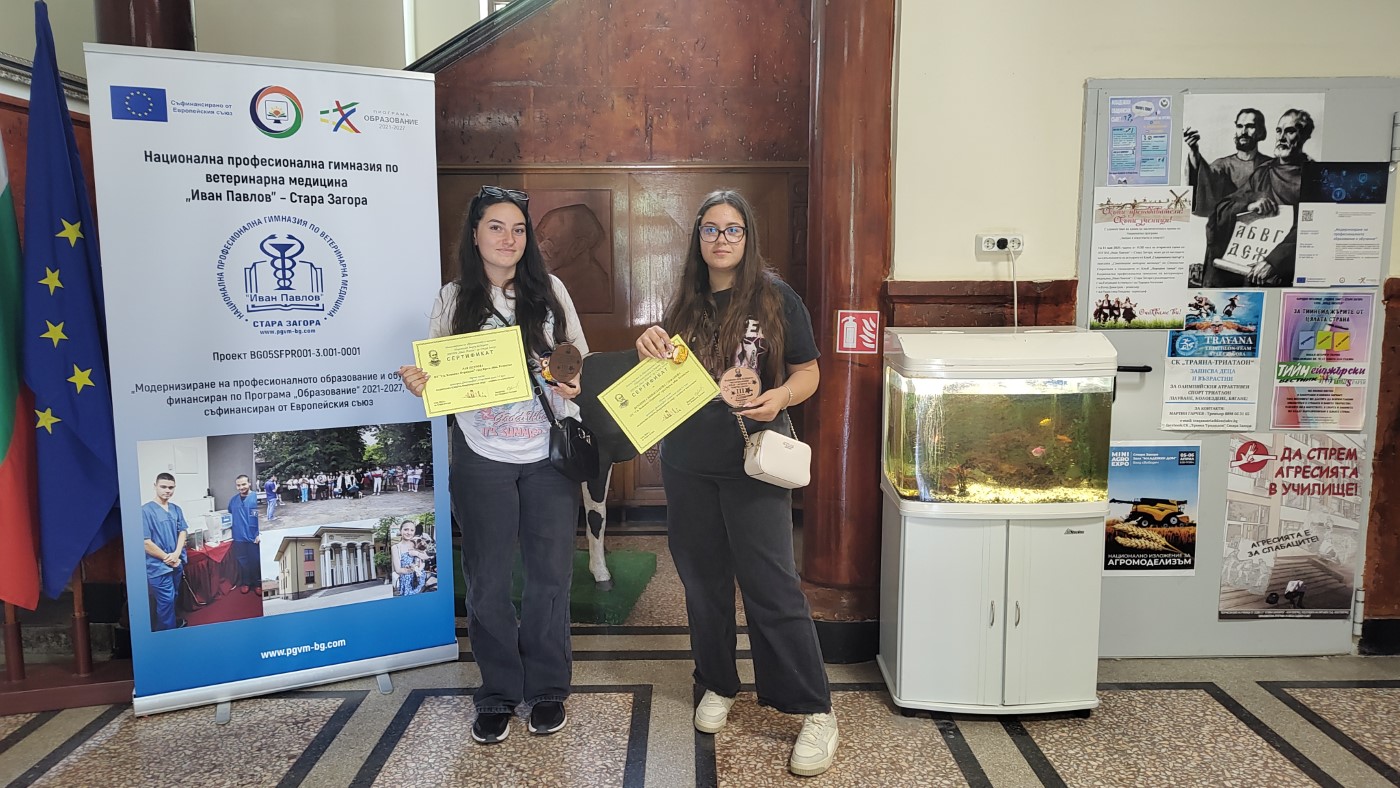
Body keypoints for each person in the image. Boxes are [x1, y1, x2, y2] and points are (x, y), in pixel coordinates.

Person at [634, 190, 837, 777]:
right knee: (702, 582)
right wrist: (647, 348)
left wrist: (781, 397)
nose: (721, 239)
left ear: (747, 237)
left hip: (753, 461)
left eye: (733, 229)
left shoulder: (775, 297)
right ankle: (718, 682)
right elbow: (662, 378)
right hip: (687, 463)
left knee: (771, 584)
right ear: (697, 238)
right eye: (710, 229)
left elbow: (808, 371)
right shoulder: (683, 302)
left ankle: (815, 709)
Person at [399, 185, 588, 745]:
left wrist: (572, 379)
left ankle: (548, 689)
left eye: (519, 229)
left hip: (548, 454)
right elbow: (437, 373)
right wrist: (421, 382)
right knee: (487, 583)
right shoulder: (454, 298)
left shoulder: (551, 291)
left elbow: (579, 357)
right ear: (475, 235)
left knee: (549, 578)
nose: (509, 238)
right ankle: (499, 693)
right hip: (481, 456)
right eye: (496, 227)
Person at [1203, 109, 1315, 287]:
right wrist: (1248, 205)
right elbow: (1222, 209)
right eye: (1279, 131)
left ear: (1304, 136)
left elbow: (1311, 227)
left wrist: (1274, 261)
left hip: (1285, 273)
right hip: (1250, 272)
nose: (1281, 138)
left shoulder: (1314, 177)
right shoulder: (1263, 172)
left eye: (1290, 131)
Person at [1184, 108, 1269, 219]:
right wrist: (1194, 150)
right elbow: (1204, 180)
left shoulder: (1271, 165)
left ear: (1260, 131)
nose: (1243, 132)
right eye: (1239, 126)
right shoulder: (1222, 166)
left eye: (1250, 126)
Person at [142, 473, 188, 632]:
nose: (167, 490)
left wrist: (176, 554)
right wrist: (167, 558)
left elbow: (183, 531)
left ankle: (170, 624)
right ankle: (167, 634)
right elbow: (145, 542)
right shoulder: (145, 511)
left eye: (171, 487)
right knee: (166, 601)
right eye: (163, 487)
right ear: (155, 486)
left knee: (173, 596)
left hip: (176, 562)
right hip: (158, 567)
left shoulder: (176, 509)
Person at [228, 474, 261, 594]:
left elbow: (262, 518)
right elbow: (229, 515)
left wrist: (260, 534)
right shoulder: (233, 501)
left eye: (243, 484)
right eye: (238, 485)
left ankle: (257, 584)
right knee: (242, 562)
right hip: (239, 537)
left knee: (255, 561)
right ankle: (246, 583)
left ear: (249, 484)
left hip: (253, 537)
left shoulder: (256, 498)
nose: (241, 487)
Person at [391, 520, 430, 596]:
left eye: (412, 530)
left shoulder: (417, 543)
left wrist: (417, 553)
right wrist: (412, 569)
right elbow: (398, 570)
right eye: (406, 529)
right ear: (400, 530)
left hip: (420, 580)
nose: (409, 533)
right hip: (407, 582)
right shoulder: (395, 547)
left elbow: (426, 557)